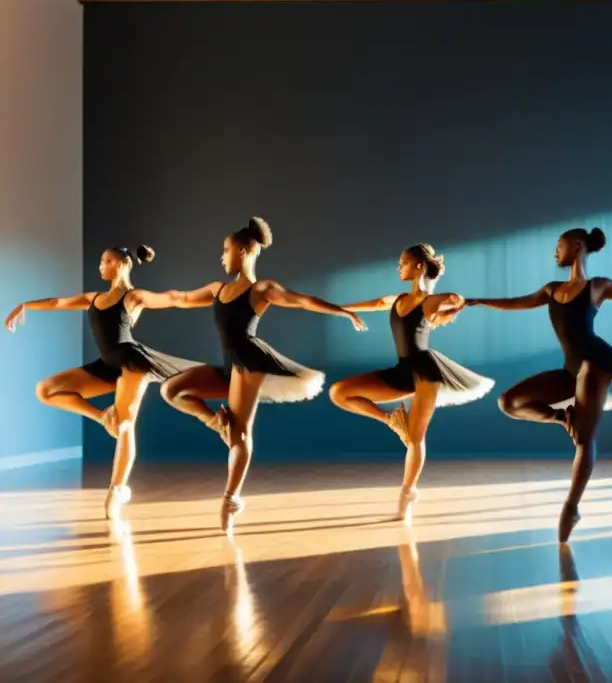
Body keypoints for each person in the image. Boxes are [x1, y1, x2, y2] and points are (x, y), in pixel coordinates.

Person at [465, 227, 612, 542]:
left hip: (597, 362)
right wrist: (475, 301)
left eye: (560, 245)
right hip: (570, 370)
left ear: (577, 247)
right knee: (509, 402)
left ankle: (571, 507)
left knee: (585, 438)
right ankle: (563, 417)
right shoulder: (551, 289)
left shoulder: (597, 287)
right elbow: (516, 302)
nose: (555, 251)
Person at [155, 217, 367, 532]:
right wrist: (139, 299)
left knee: (240, 433)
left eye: (225, 250)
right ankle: (216, 422)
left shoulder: (261, 289)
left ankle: (230, 499)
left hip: (249, 361)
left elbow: (303, 301)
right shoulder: (218, 289)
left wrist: (343, 311)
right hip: (228, 364)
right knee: (171, 390)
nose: (222, 257)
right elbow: (179, 298)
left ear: (244, 250)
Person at [5, 245, 204, 519]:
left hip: (132, 364)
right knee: (46, 390)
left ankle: (117, 489)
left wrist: (213, 296)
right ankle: (102, 417)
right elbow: (58, 303)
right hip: (106, 366)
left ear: (123, 264)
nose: (101, 265)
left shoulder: (133, 297)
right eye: (101, 261)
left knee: (125, 424)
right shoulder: (95, 298)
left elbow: (173, 298)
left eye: (107, 260)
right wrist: (26, 305)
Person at [330, 243, 493, 523]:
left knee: (416, 438)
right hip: (402, 371)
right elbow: (374, 303)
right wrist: (338, 309)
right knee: (339, 392)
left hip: (426, 374)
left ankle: (406, 496)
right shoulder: (398, 299)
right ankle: (391, 420)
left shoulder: (428, 302)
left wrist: (447, 310)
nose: (399, 267)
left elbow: (456, 298)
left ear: (419, 266)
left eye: (403, 263)